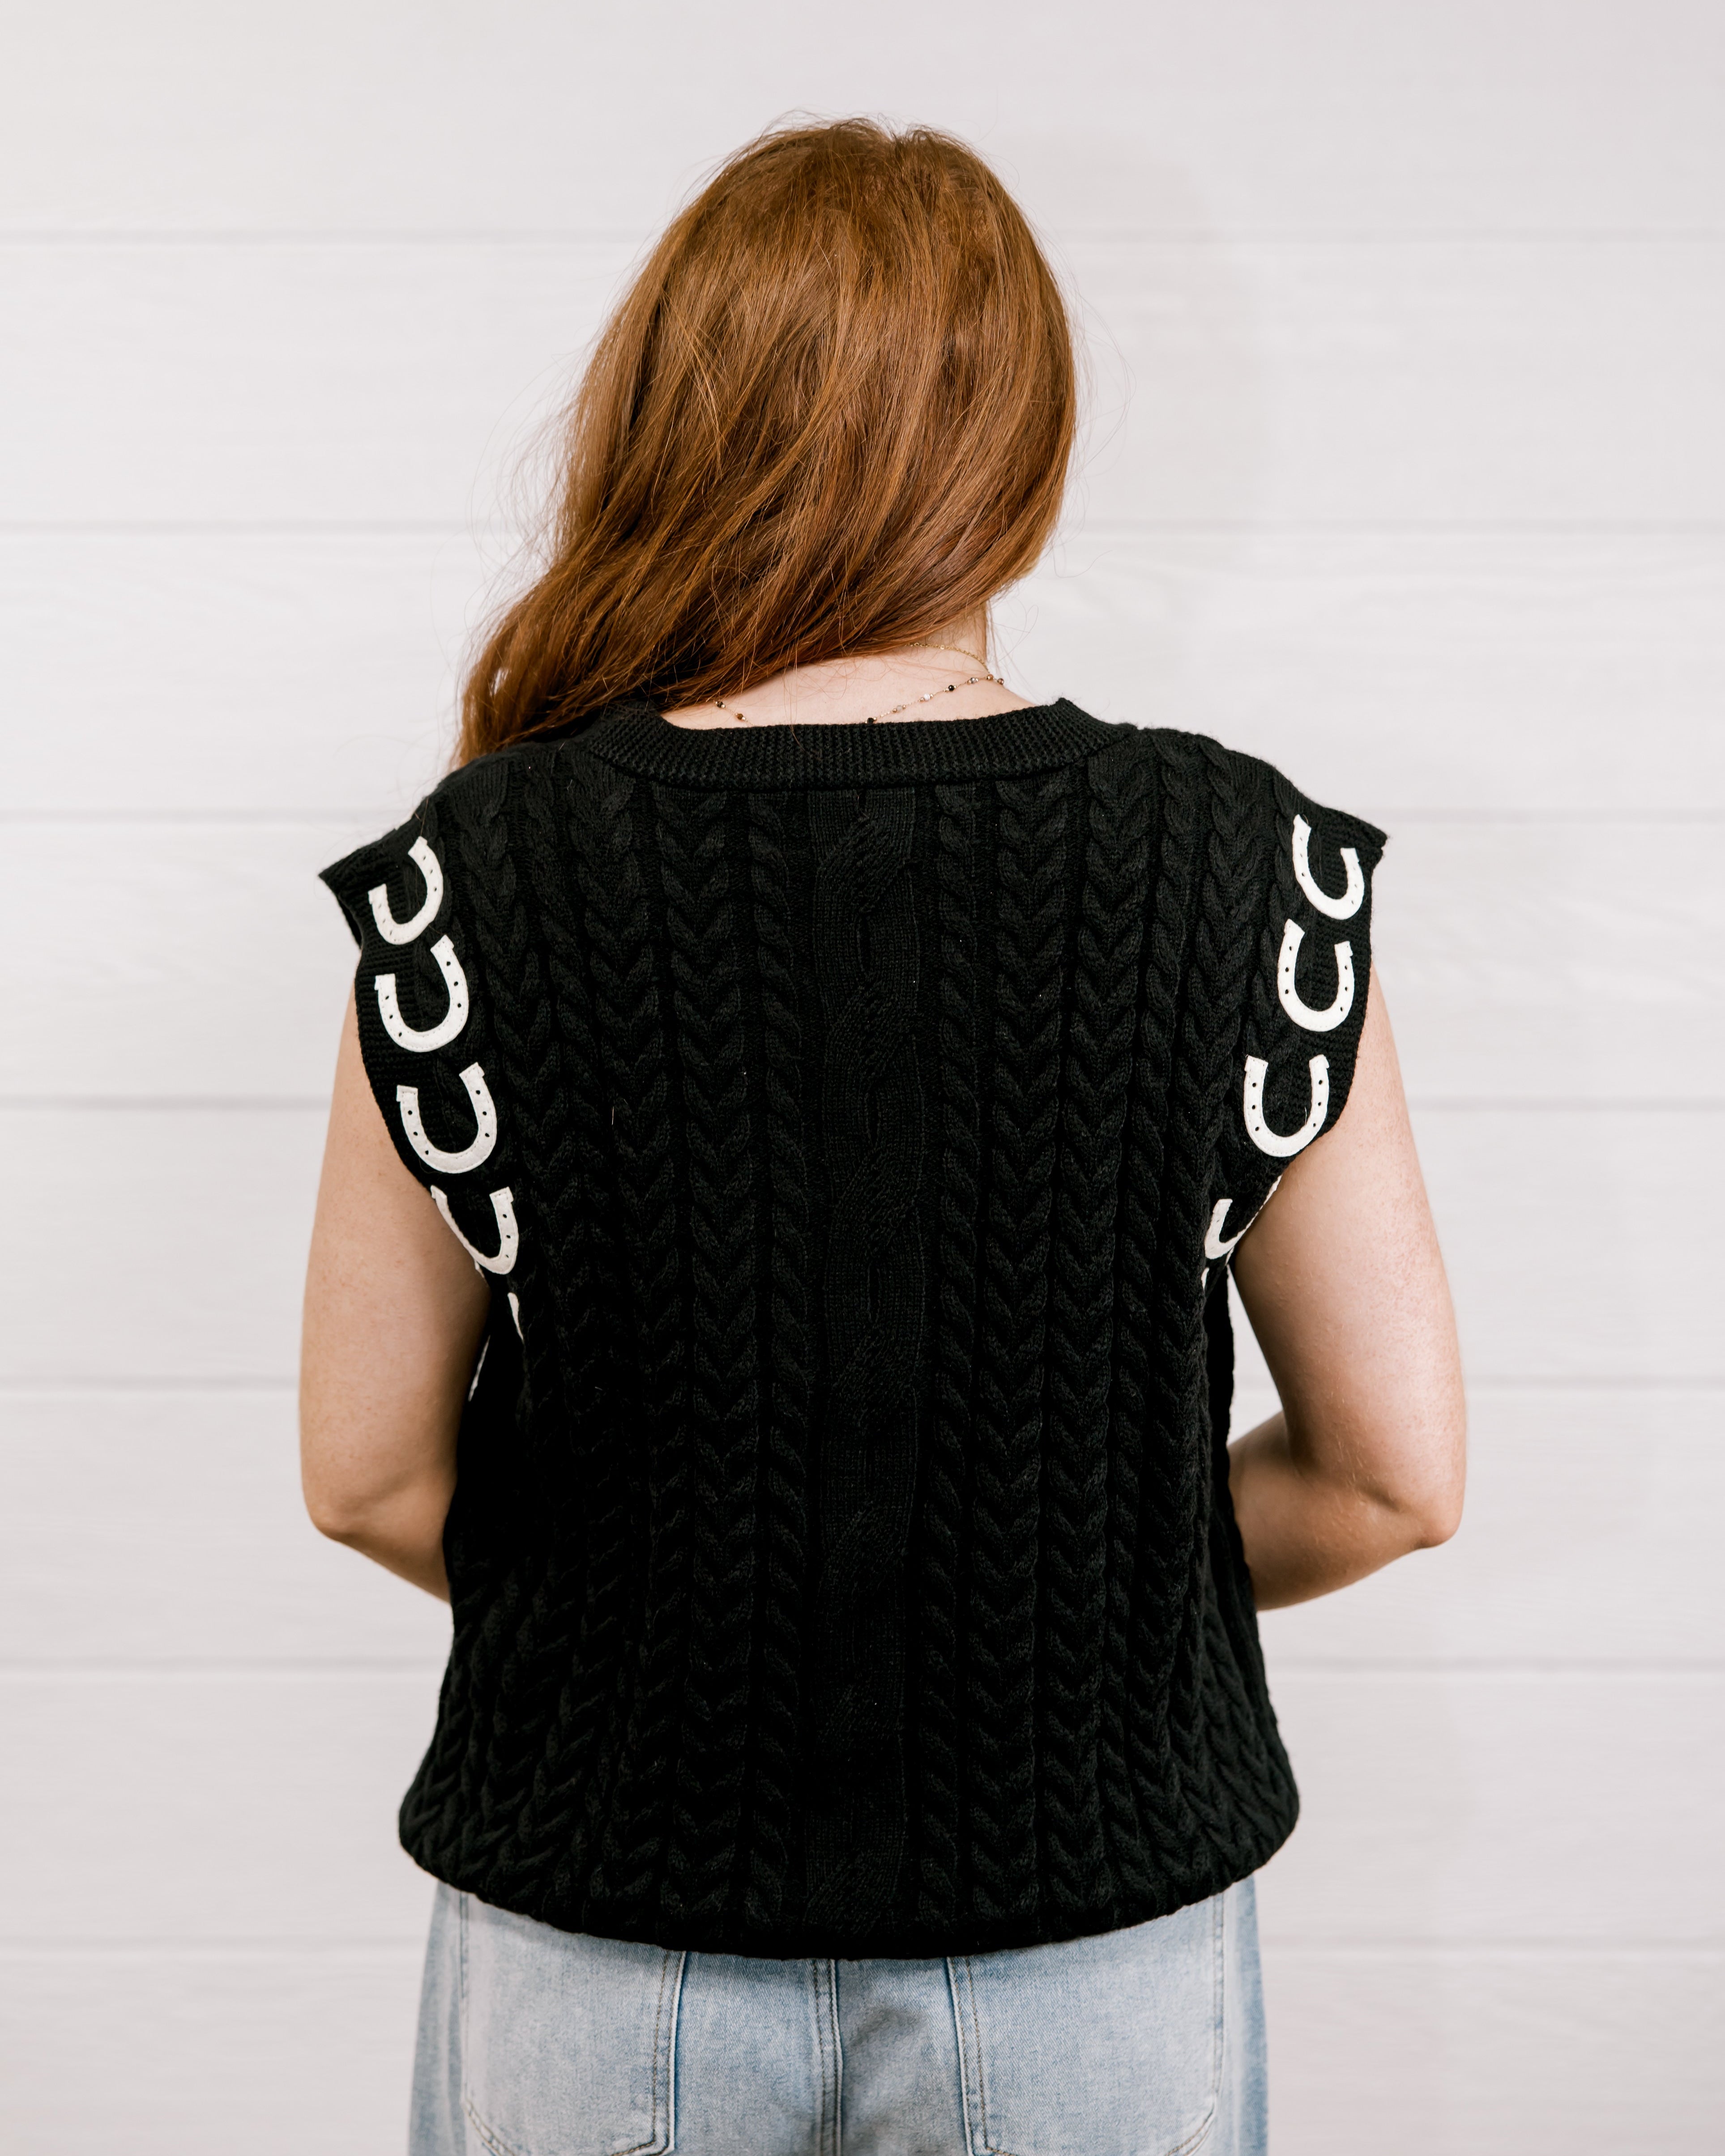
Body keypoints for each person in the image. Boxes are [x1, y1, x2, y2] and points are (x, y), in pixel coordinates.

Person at [301, 117, 1465, 2156]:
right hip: (1093, 1951)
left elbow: (369, 1468)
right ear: (1019, 444)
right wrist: (1066, 1593)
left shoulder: (474, 877)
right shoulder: (1242, 865)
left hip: (603, 1944)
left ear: (671, 417)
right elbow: (1390, 1478)